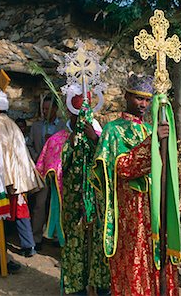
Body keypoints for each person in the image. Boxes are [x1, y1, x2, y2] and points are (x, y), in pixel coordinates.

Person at [91, 74, 178, 295]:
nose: (143, 105)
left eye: (148, 100)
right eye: (139, 99)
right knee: (134, 260)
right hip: (130, 213)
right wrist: (152, 143)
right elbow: (122, 168)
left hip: (155, 208)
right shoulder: (113, 130)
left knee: (157, 258)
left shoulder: (150, 128)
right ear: (127, 96)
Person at [37, 85, 110, 295]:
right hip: (71, 206)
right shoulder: (59, 139)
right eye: (79, 114)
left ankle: (102, 287)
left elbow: (110, 164)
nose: (82, 119)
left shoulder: (102, 136)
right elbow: (50, 168)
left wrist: (95, 141)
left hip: (98, 205)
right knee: (74, 248)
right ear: (70, 112)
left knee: (99, 247)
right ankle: (76, 288)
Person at [0, 91, 43, 257]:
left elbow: (1, 154)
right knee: (21, 210)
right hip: (21, 175)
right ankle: (27, 244)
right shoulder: (12, 125)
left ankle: (27, 245)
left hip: (9, 176)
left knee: (14, 210)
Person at [29, 96, 65, 249]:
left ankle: (57, 236)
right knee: (40, 204)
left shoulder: (63, 127)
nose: (44, 112)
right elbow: (29, 145)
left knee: (57, 203)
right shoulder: (36, 127)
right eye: (43, 109)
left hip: (58, 172)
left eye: (48, 109)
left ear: (56, 109)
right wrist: (39, 157)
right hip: (41, 171)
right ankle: (36, 237)